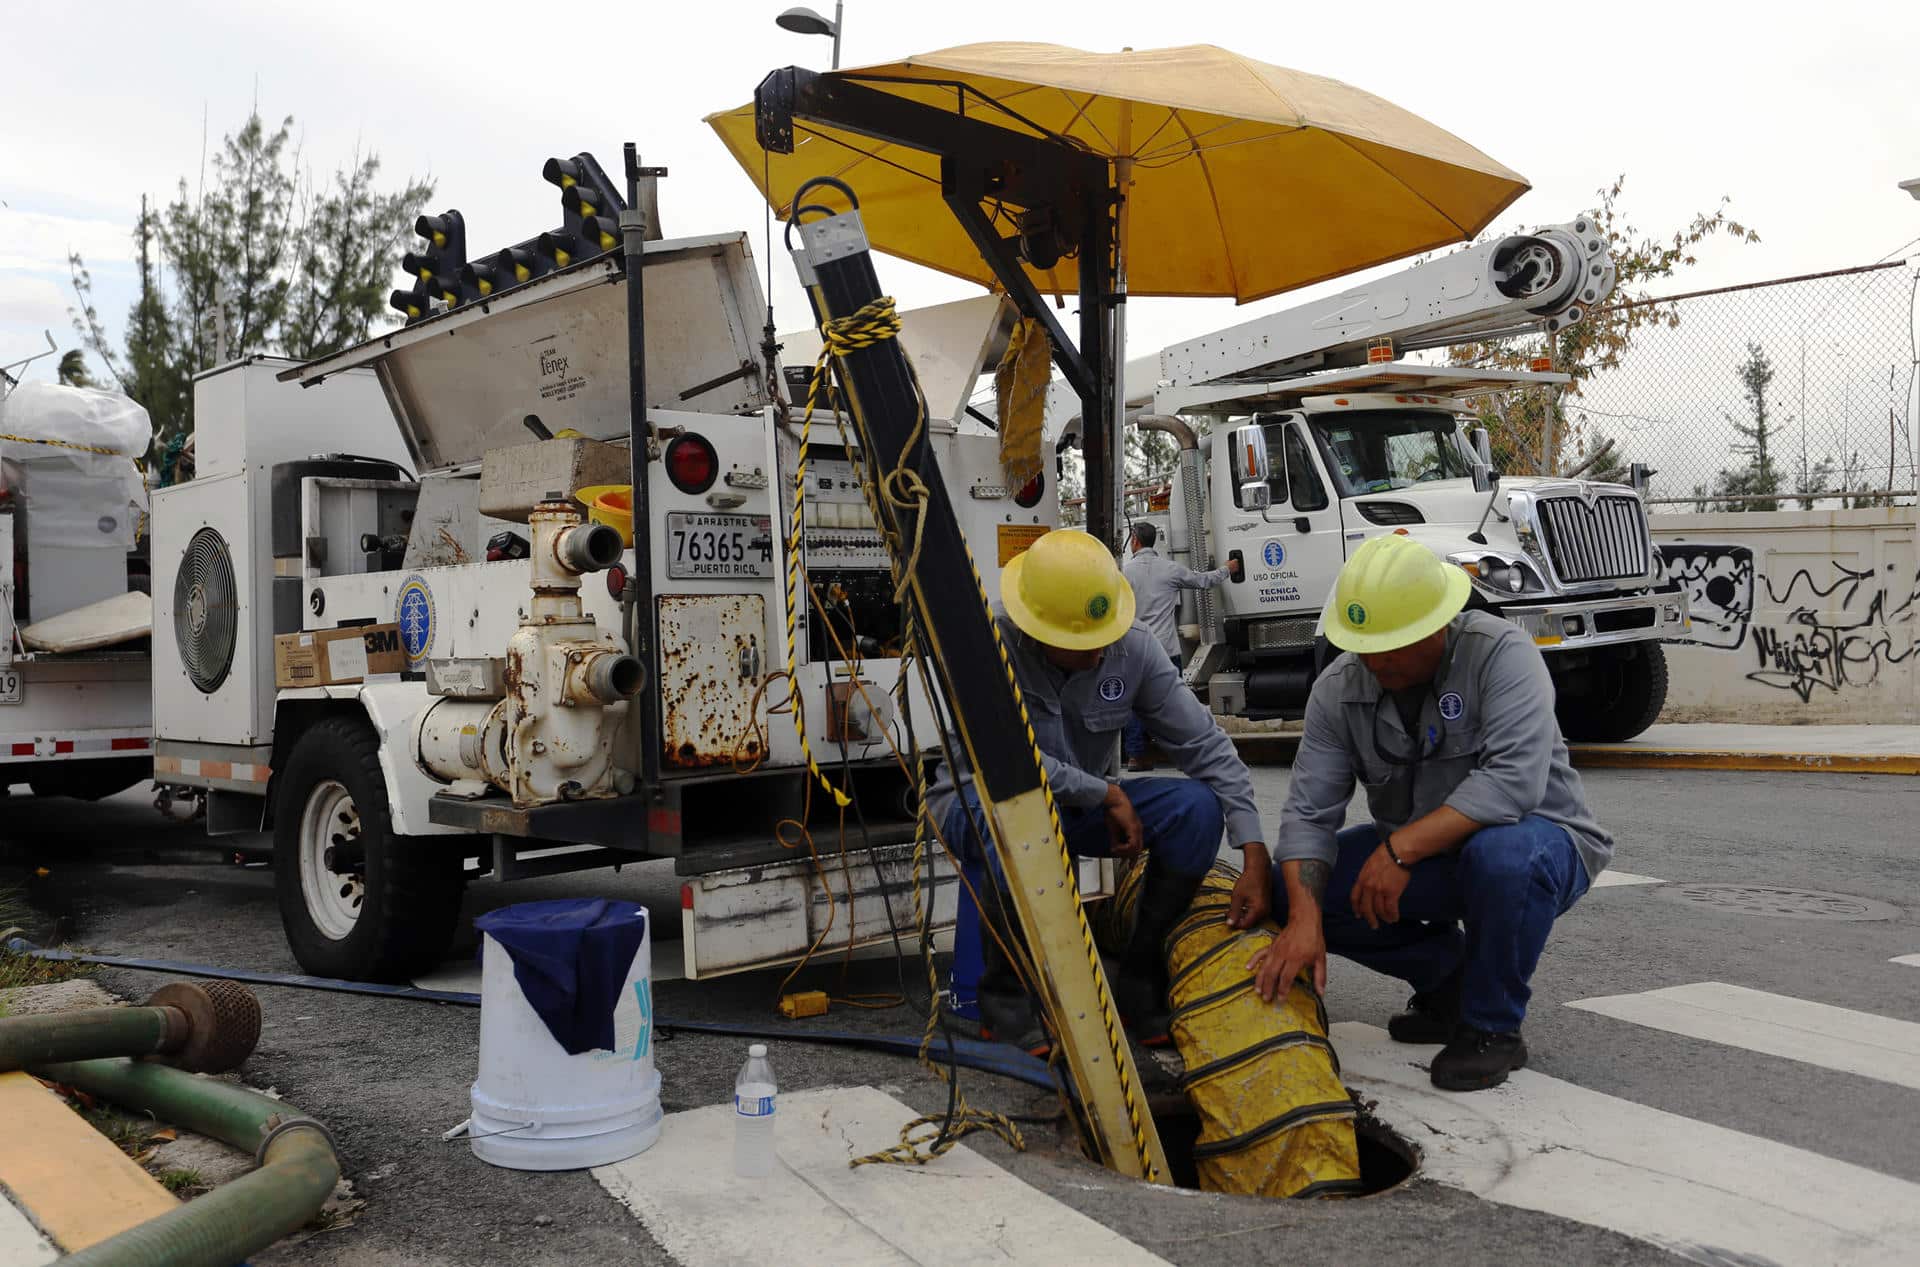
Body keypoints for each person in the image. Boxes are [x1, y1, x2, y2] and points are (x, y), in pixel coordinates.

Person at [1248, 535, 1610, 1091]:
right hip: (1424, 857)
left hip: (1536, 843)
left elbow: (1513, 783)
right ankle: (1448, 986)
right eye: (1365, 646)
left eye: (1392, 645)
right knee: (1291, 889)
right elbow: (1308, 817)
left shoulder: (1503, 655)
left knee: (1502, 858)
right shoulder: (1337, 691)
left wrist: (1400, 850)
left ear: (1437, 624)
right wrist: (1302, 919)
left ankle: (1492, 1028)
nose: (1376, 660)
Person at [929, 529, 1269, 1055]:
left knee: (1196, 810)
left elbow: (1206, 745)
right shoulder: (989, 645)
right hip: (981, 802)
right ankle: (1007, 1001)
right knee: (1020, 821)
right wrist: (1105, 795)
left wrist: (1254, 851)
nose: (1099, 650)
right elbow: (1007, 763)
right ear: (1035, 629)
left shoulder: (1133, 648)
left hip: (1076, 807)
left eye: (1103, 635)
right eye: (1082, 643)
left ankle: (1138, 977)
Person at [1119, 521, 1238, 771]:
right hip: (1166, 649)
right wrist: (1227, 569)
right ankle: (1180, 754)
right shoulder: (1170, 569)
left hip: (1136, 648)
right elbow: (1204, 581)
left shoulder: (1124, 573)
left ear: (1135, 541)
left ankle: (1135, 756)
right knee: (1172, 703)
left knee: (1135, 703)